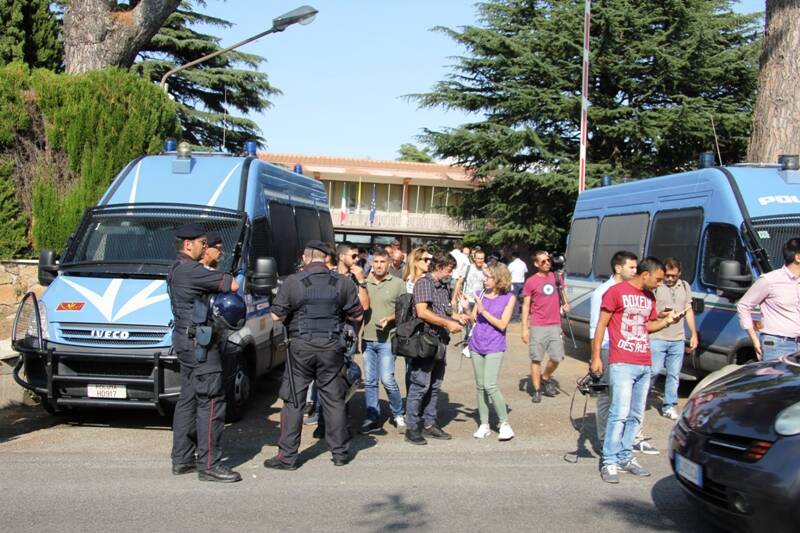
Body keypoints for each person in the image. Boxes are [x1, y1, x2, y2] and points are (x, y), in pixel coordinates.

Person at [264, 240, 363, 469]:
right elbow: (357, 316)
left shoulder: (293, 281)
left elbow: (276, 316)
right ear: (327, 258)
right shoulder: (343, 283)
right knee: (333, 400)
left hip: (300, 347)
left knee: (294, 401)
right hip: (331, 347)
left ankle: (287, 457)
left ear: (306, 257)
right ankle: (339, 453)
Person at [590, 257, 684, 484]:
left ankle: (625, 457)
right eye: (658, 279)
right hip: (621, 361)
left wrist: (668, 321)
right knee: (619, 413)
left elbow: (648, 326)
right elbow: (601, 324)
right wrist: (595, 357)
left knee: (635, 415)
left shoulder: (649, 297)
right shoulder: (615, 292)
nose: (660, 284)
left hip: (644, 361)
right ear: (645, 275)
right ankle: (610, 460)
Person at [168, 223, 241, 483]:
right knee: (211, 400)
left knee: (188, 400)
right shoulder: (193, 270)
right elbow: (232, 285)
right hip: (200, 344)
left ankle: (182, 458)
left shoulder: (176, 267)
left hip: (184, 340)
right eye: (202, 243)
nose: (205, 248)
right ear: (189, 245)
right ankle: (209, 463)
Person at [405, 252, 468, 445]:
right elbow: (422, 312)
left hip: (440, 341)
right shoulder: (424, 283)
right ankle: (412, 427)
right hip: (426, 341)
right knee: (420, 385)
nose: (451, 273)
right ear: (439, 266)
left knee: (435, 385)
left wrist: (456, 317)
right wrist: (448, 324)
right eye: (449, 269)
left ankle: (430, 424)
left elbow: (443, 311)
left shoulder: (443, 286)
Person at [589, 251, 638, 448]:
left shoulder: (633, 290)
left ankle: (625, 438)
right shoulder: (601, 292)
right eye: (632, 267)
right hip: (608, 349)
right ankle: (604, 439)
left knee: (627, 396)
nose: (636, 271)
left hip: (628, 349)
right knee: (606, 397)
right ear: (618, 268)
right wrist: (596, 356)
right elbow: (595, 326)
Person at [359, 249, 407, 434]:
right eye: (376, 261)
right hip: (368, 339)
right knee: (370, 381)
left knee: (387, 379)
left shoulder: (398, 283)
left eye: (382, 262)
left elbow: (405, 311)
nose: (378, 265)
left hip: (388, 339)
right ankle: (372, 416)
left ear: (388, 264)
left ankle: (398, 413)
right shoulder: (365, 284)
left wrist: (389, 318)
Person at [468, 262, 516, 441]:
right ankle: (484, 424)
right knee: (480, 386)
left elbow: (503, 324)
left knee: (490, 385)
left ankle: (504, 424)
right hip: (476, 343)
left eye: (488, 277)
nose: (485, 279)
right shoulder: (481, 293)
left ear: (499, 278)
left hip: (495, 345)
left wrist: (483, 311)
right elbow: (474, 317)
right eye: (485, 276)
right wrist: (467, 309)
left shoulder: (509, 297)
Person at [650, 257, 699, 420]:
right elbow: (649, 311)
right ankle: (640, 397)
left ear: (680, 274)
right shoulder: (656, 286)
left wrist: (693, 334)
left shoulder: (685, 286)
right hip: (658, 336)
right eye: (667, 275)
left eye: (674, 276)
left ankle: (669, 405)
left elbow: (689, 310)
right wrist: (659, 314)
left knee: (674, 374)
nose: (670, 279)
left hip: (677, 338)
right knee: (654, 370)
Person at [737, 237, 800, 362]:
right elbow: (743, 306)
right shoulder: (770, 280)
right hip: (777, 346)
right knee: (774, 381)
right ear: (798, 257)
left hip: (798, 346)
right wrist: (755, 340)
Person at [521, 251, 570, 402]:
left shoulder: (557, 277)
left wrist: (566, 304)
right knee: (536, 358)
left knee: (556, 357)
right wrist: (524, 328)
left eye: (548, 260)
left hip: (555, 324)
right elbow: (526, 305)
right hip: (538, 325)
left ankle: (545, 377)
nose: (547, 263)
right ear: (536, 264)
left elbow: (563, 296)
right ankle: (537, 390)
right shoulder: (531, 281)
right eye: (543, 261)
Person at [454, 249, 487, 358]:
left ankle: (472, 344)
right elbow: (459, 283)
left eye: (482, 259)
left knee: (477, 323)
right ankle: (469, 345)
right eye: (478, 258)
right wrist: (454, 298)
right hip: (468, 300)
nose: (480, 261)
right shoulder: (467, 268)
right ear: (474, 258)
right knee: (469, 324)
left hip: (480, 301)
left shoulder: (486, 269)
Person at [337, 243, 370, 313]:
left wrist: (361, 280)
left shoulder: (357, 276)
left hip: (351, 321)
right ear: (341, 256)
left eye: (358, 256)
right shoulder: (330, 274)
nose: (357, 259)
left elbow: (365, 306)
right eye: (354, 256)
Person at [507, 251, 528, 322]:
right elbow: (526, 271)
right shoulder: (523, 263)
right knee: (521, 300)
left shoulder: (512, 264)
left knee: (514, 300)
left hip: (514, 283)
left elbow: (507, 272)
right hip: (521, 283)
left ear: (513, 257)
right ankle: (520, 315)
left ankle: (515, 317)